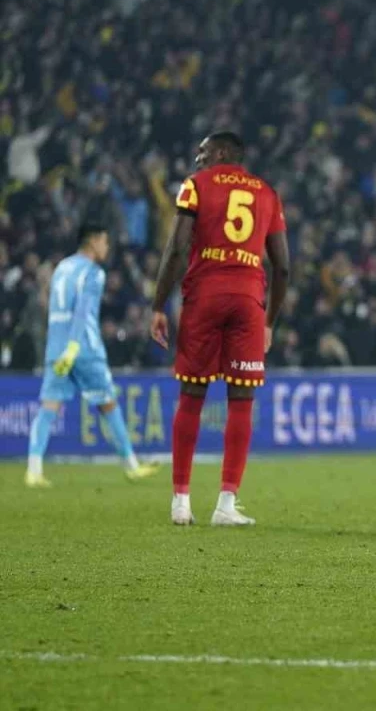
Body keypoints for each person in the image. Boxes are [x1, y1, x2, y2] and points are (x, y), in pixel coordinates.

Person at [150, 132, 290, 526]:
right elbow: (282, 267)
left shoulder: (194, 186)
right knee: (241, 398)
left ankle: (181, 501)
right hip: (248, 300)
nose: (198, 158)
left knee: (191, 395)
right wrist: (269, 321)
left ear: (224, 153)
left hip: (204, 297)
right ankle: (226, 505)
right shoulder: (268, 193)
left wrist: (158, 305)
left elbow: (177, 248)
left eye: (204, 151)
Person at [24, 224, 160, 487]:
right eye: (105, 242)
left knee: (48, 407)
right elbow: (82, 312)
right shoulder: (94, 273)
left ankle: (33, 470)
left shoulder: (62, 268)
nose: (106, 247)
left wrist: (60, 346)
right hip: (83, 348)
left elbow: (52, 308)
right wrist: (74, 347)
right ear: (94, 241)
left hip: (56, 346)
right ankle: (131, 466)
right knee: (108, 403)